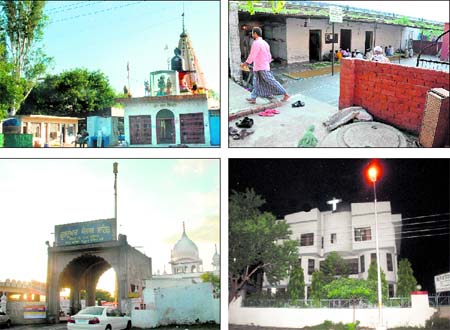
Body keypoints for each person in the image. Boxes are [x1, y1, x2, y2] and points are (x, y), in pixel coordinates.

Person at [241, 27, 289, 104]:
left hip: (261, 67)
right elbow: (269, 56)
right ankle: (253, 98)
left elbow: (252, 55)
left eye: (253, 33)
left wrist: (246, 63)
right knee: (256, 82)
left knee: (271, 81)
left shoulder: (256, 43)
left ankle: (285, 94)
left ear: (255, 34)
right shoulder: (265, 43)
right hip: (262, 66)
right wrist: (267, 63)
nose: (252, 35)